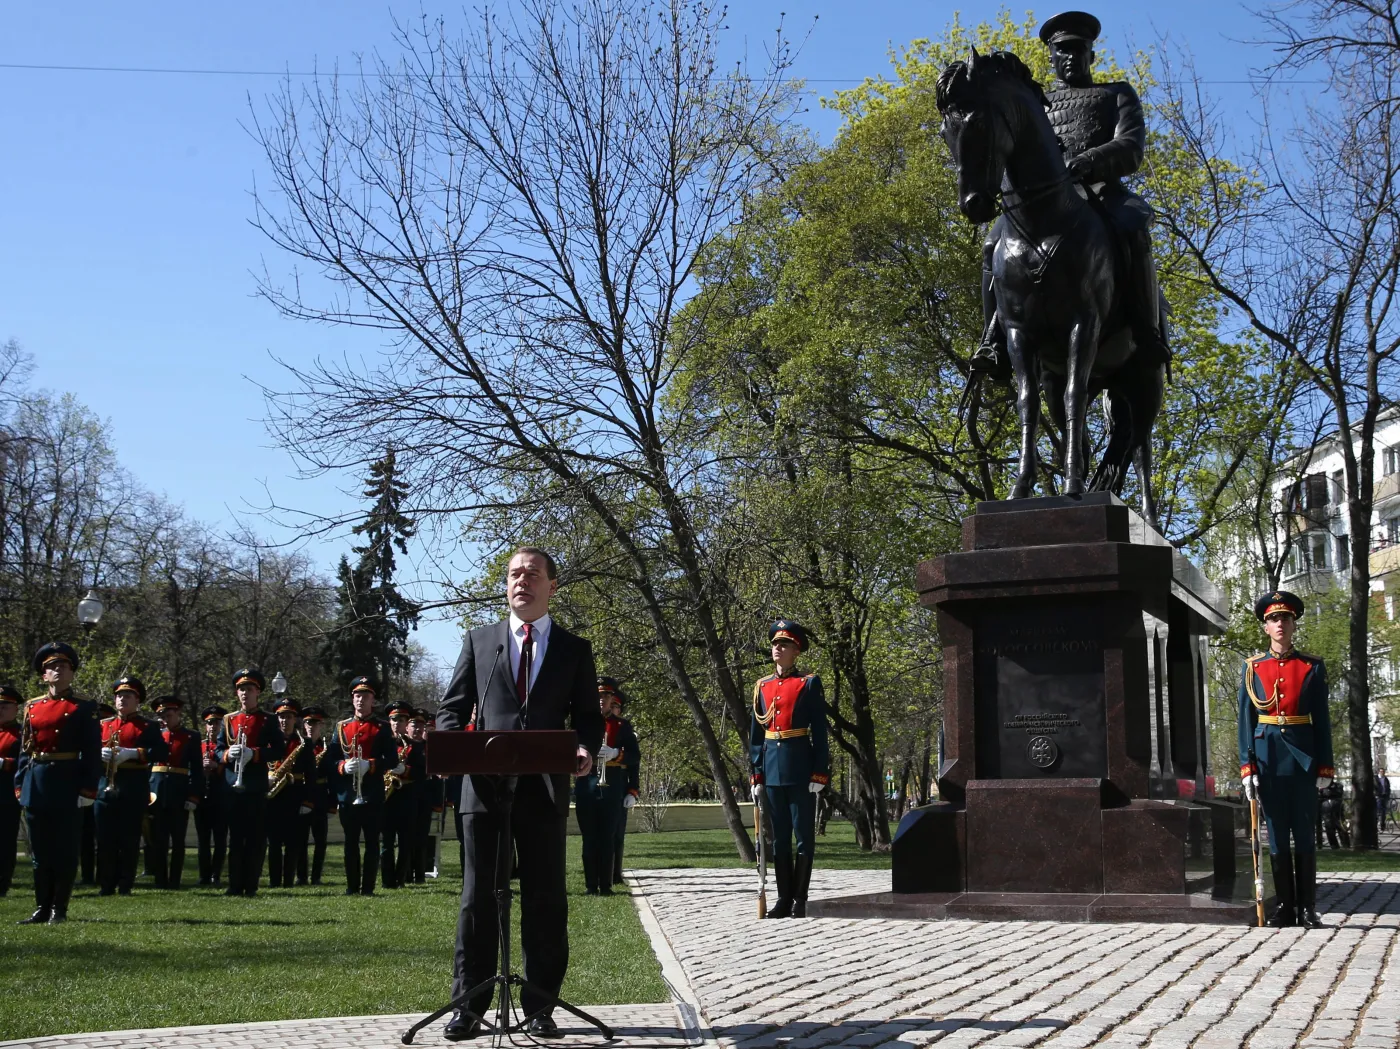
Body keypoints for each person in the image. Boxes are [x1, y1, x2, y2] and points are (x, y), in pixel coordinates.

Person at [436, 546, 604, 1040]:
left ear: (552, 585)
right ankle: (468, 1005)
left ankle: (540, 1006)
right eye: (513, 574)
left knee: (545, 899)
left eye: (532, 574)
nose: (521, 581)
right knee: (477, 900)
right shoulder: (480, 641)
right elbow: (451, 708)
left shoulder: (574, 649)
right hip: (484, 791)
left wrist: (585, 750)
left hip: (544, 790)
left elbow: (588, 718)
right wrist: (454, 746)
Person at [971, 10, 1169, 380]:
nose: (1070, 57)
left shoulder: (1117, 94)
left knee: (1134, 228)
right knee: (992, 244)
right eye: (1062, 50)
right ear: (1051, 56)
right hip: (1044, 203)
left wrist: (1090, 160)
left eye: (1078, 49)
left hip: (1101, 192)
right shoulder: (1036, 103)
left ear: (1091, 54)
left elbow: (1131, 145)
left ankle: (1146, 329)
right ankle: (993, 339)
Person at [1239, 590, 1333, 929]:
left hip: (1303, 760)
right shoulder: (1253, 669)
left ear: (1294, 624)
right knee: (1277, 834)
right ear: (1265, 627)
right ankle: (1285, 908)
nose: (1280, 624)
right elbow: (1245, 722)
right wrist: (1247, 767)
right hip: (1267, 762)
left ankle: (1308, 908)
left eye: (1286, 618)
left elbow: (1321, 719)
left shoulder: (1312, 667)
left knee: (1305, 833)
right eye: (1274, 619)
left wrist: (1325, 764)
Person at [15, 642, 102, 923]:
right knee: (40, 852)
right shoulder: (32, 706)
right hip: (36, 782)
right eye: (52, 667)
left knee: (64, 851)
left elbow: (91, 750)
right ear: (44, 675)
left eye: (63, 666)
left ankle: (59, 909)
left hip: (67, 783)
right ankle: (41, 907)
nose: (58, 670)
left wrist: (89, 787)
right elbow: (25, 750)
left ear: (71, 673)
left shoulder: (84, 707)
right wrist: (19, 784)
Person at [750, 619, 830, 919]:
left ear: (796, 650)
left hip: (800, 768)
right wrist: (756, 773)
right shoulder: (763, 686)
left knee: (803, 837)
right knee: (779, 839)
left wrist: (819, 772)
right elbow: (757, 735)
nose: (777, 648)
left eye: (783, 644)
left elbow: (819, 732)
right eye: (774, 644)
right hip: (771, 770)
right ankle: (783, 898)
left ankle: (800, 898)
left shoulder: (808, 683)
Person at [216, 667, 286, 897]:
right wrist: (228, 755)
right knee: (235, 838)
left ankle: (251, 884)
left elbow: (278, 749)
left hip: (254, 785)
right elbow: (218, 750)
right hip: (232, 786)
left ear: (258, 692)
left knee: (255, 838)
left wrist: (254, 754)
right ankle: (235, 883)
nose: (245, 693)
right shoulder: (228, 720)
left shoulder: (268, 719)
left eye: (249, 689)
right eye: (241, 689)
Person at [324, 676, 397, 895]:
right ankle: (352, 885)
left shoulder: (382, 728)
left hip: (373, 793)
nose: (360, 700)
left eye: (365, 696)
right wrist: (342, 766)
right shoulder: (341, 727)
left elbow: (392, 760)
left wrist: (371, 764)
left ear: (373, 700)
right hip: (348, 794)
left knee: (373, 842)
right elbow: (330, 760)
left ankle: (368, 887)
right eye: (357, 696)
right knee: (350, 842)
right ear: (352, 699)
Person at [95, 676, 166, 896]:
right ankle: (106, 884)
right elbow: (85, 753)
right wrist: (98, 754)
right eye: (119, 696)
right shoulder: (103, 725)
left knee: (129, 839)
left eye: (127, 696)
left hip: (133, 786)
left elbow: (161, 753)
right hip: (105, 785)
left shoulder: (148, 726)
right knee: (105, 839)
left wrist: (134, 753)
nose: (122, 699)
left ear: (137, 700)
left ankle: (125, 884)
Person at [575, 677, 637, 895]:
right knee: (589, 837)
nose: (602, 700)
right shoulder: (582, 723)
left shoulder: (622, 725)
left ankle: (607, 884)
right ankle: (591, 885)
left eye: (607, 696)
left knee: (608, 837)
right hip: (586, 782)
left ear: (612, 699)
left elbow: (634, 757)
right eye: (599, 696)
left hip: (612, 785)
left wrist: (616, 753)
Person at [148, 695, 203, 890]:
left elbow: (196, 769)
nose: (165, 719)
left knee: (178, 839)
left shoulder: (191, 736)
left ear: (178, 714)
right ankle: (160, 879)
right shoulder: (155, 735)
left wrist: (194, 796)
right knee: (158, 839)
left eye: (168, 714)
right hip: (157, 791)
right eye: (161, 715)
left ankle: (175, 879)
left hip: (179, 792)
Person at [265, 697, 313, 888]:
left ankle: (289, 881)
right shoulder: (268, 741)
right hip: (273, 796)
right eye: (281, 717)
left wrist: (308, 801)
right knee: (274, 843)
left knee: (293, 843)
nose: (284, 720)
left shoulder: (304, 743)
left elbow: (311, 774)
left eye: (289, 717)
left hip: (295, 794)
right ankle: (275, 881)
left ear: (295, 719)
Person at [379, 701, 419, 889]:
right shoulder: (381, 745)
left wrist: (405, 770)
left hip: (407, 798)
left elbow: (423, 772)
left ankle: (401, 879)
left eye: (401, 720)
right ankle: (387, 880)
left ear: (406, 723)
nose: (397, 723)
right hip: (386, 798)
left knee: (405, 842)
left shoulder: (415, 747)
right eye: (394, 720)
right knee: (386, 842)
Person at [296, 705, 334, 886]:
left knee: (321, 840)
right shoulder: (299, 745)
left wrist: (332, 804)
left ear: (321, 725)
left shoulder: (328, 748)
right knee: (300, 839)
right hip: (302, 794)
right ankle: (301, 876)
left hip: (320, 796)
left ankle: (316, 876)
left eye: (315, 723)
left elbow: (333, 777)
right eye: (307, 723)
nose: (311, 726)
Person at [609, 689, 640, 888]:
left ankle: (614, 872)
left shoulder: (624, 727)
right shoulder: (592, 724)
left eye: (615, 706)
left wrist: (632, 791)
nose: (611, 709)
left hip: (618, 783)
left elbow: (634, 761)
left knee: (616, 832)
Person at [195, 704, 229, 886]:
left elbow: (232, 770)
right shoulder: (199, 746)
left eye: (216, 723)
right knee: (203, 839)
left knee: (220, 838)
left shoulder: (226, 747)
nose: (213, 726)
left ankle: (216, 874)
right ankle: (204, 875)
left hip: (221, 795)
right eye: (209, 723)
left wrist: (218, 767)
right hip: (203, 796)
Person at [0, 685, 23, 897]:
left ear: (15, 708)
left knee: (5, 840)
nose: (0, 709)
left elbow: (25, 763)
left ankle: (2, 883)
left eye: (5, 705)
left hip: (6, 794)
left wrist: (3, 763)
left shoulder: (21, 734)